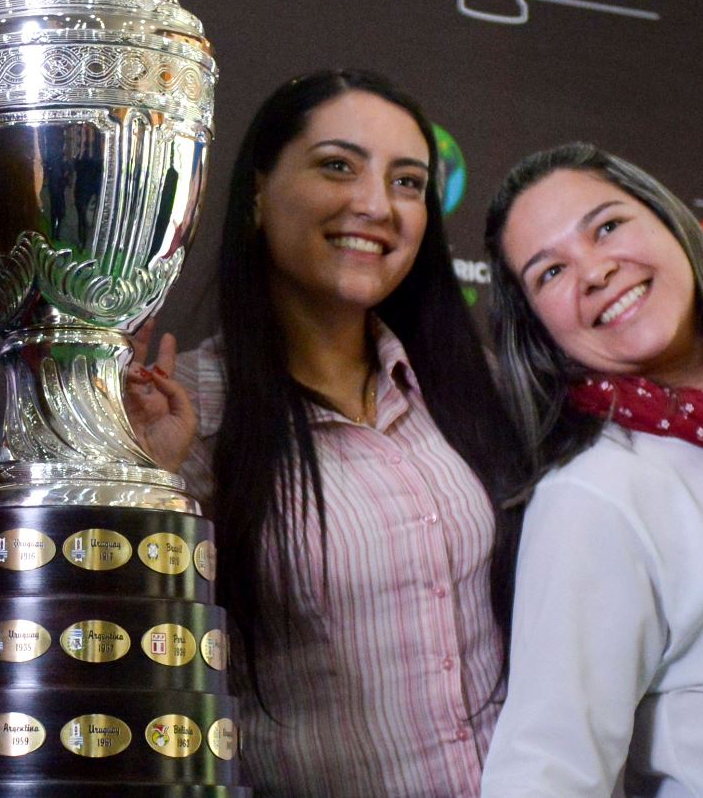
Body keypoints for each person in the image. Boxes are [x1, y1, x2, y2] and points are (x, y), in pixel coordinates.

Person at [125, 70, 526, 797]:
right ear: (256, 190)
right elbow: (143, 681)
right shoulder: (181, 411)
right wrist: (145, 476)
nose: (375, 204)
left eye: (407, 182)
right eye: (337, 165)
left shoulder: (475, 386)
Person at [479, 143, 703, 796]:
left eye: (606, 227)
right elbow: (544, 771)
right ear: (537, 327)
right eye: (549, 272)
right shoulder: (590, 496)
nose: (595, 270)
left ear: (668, 222)